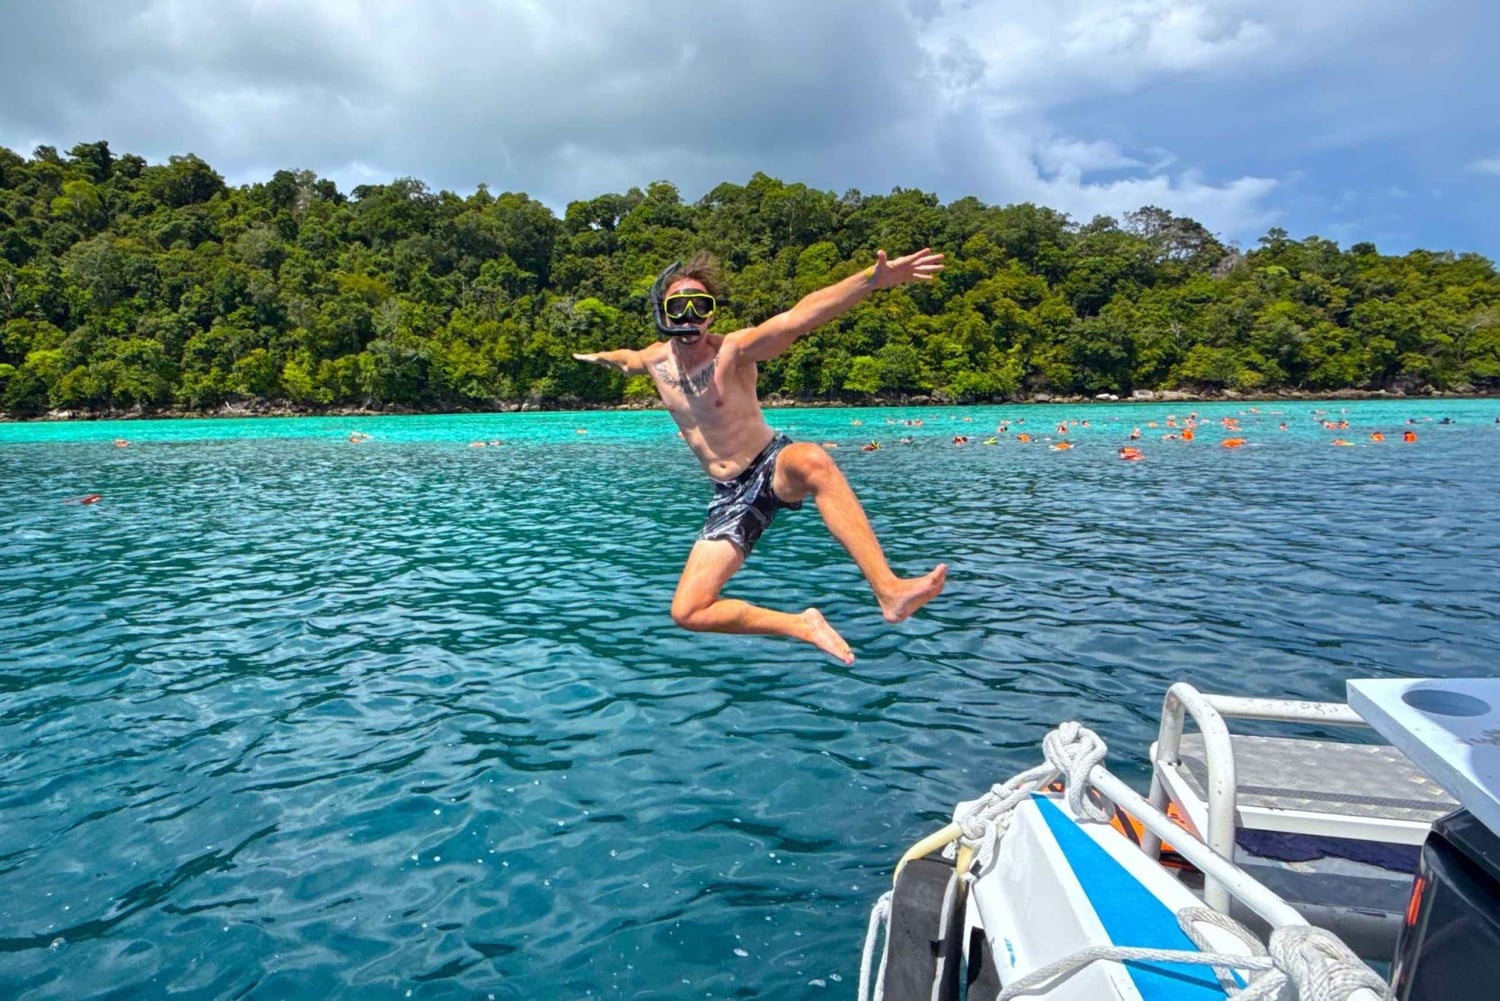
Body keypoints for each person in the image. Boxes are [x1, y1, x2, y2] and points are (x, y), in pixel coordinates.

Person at [573, 250, 947, 664]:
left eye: (702, 306)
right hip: (729, 494)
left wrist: (870, 281)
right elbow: (625, 360)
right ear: (663, 313)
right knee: (688, 611)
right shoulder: (655, 361)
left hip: (770, 464)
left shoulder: (733, 350)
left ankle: (889, 589)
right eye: (679, 307)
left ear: (712, 315)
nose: (690, 317)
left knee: (812, 460)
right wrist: (596, 357)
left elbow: (797, 317)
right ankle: (801, 625)